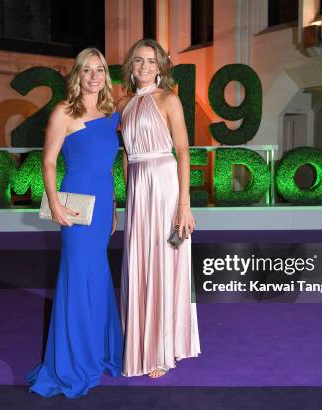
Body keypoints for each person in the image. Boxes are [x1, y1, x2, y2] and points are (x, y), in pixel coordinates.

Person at [26, 47, 123, 398]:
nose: (94, 76)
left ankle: (98, 352)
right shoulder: (64, 112)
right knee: (78, 277)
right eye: (87, 70)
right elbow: (49, 162)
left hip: (101, 205)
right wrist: (54, 204)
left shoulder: (112, 115)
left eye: (100, 70)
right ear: (77, 75)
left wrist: (113, 209)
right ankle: (72, 362)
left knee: (97, 276)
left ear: (105, 77)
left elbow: (109, 168)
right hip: (76, 204)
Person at [118, 39, 200, 378]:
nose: (145, 67)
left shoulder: (169, 99)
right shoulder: (121, 103)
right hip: (138, 191)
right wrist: (126, 199)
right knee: (139, 262)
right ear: (131, 66)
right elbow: (125, 154)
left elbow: (182, 152)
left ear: (161, 66)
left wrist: (184, 205)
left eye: (152, 61)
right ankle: (139, 340)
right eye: (139, 60)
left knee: (166, 261)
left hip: (166, 189)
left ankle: (164, 348)